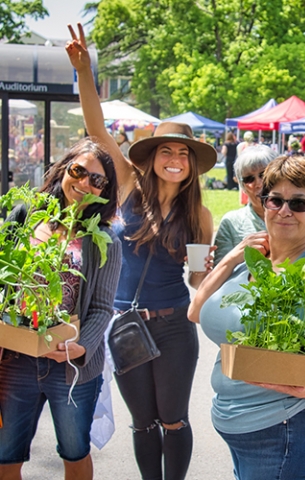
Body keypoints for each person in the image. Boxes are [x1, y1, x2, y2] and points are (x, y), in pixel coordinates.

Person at [66, 24, 216, 480]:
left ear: (192, 164)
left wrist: (207, 272)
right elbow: (96, 128)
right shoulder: (128, 188)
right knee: (142, 422)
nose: (175, 158)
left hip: (173, 328)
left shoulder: (201, 217)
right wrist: (85, 72)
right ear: (150, 158)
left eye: (184, 153)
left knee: (174, 419)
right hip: (124, 323)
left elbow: (195, 281)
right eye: (167, 150)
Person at [188, 155, 305, 480]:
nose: (284, 210)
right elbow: (196, 312)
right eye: (275, 200)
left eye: (298, 203)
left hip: (283, 430)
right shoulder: (257, 263)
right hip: (242, 428)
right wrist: (232, 257)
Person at [0, 138, 122, 480]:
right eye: (78, 171)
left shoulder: (104, 240)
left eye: (96, 180)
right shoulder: (26, 217)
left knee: (74, 451)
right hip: (15, 360)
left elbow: (101, 307)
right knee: (5, 455)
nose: (84, 183)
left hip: (70, 366)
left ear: (104, 191)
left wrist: (83, 346)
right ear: (63, 169)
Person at [214, 146, 305, 266]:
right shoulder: (232, 222)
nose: (258, 183)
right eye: (249, 179)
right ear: (242, 185)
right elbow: (220, 276)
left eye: (263, 174)